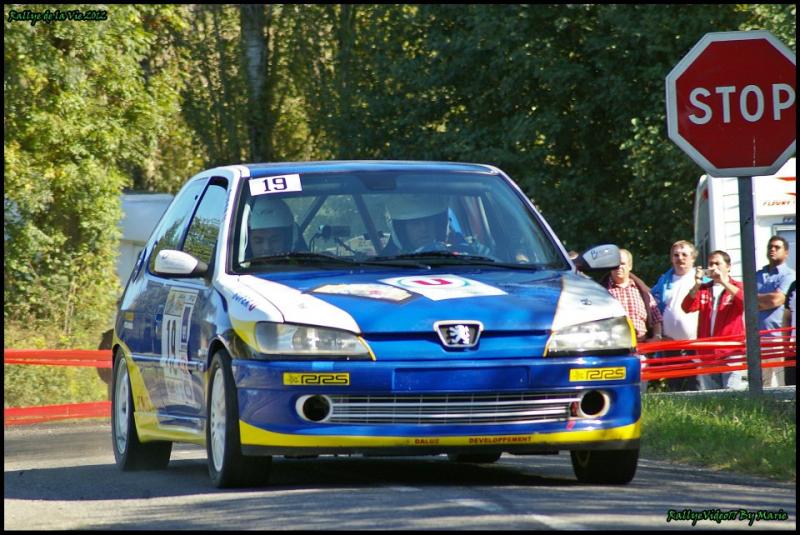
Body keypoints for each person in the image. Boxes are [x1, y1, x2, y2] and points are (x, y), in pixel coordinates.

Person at [682, 250, 745, 390]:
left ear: (728, 267)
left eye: (717, 263)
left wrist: (723, 282)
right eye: (711, 264)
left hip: (731, 352)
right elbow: (686, 307)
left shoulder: (737, 286)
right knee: (713, 397)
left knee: (732, 394)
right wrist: (697, 284)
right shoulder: (704, 288)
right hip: (707, 353)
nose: (713, 267)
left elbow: (746, 302)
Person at [651, 240, 702, 390]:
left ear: (693, 258)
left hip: (696, 344)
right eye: (676, 255)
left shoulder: (702, 280)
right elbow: (653, 305)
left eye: (684, 254)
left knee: (697, 386)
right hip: (670, 344)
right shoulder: (663, 281)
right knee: (674, 388)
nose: (680, 258)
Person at [382, 195, 489, 257]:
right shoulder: (386, 263)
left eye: (428, 221)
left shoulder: (469, 252)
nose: (423, 229)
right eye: (415, 223)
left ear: (439, 225)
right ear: (402, 230)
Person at [756, 236, 796, 387]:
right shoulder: (757, 275)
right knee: (762, 385)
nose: (772, 249)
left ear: (786, 253)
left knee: (783, 384)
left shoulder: (789, 275)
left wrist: (756, 301)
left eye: (777, 247)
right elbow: (746, 300)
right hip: (758, 338)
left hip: (779, 338)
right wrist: (763, 301)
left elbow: (776, 300)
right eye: (770, 247)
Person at [602, 249, 663, 343]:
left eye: (622, 264)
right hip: (614, 345)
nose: (619, 267)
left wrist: (657, 336)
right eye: (615, 264)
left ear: (630, 266)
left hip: (642, 345)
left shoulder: (642, 291)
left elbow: (656, 317)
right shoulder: (601, 292)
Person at [782, 280, 796, 386]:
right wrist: (786, 345)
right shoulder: (794, 285)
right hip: (793, 350)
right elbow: (787, 317)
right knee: (791, 390)